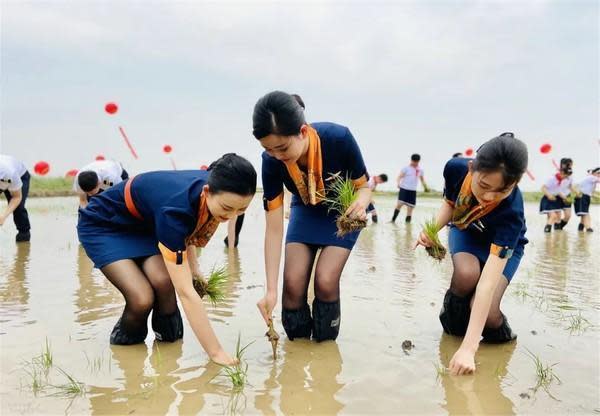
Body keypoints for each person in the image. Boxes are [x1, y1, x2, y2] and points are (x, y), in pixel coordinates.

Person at [77, 153, 256, 365]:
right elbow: (186, 293)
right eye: (227, 208)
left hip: (146, 223)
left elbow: (189, 228)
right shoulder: (175, 210)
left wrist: (195, 270)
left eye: (241, 210)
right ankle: (125, 361)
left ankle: (169, 356)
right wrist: (216, 353)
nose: (232, 216)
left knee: (163, 282)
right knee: (141, 298)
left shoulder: (217, 182)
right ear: (207, 192)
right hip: (104, 226)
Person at [253, 91, 371, 342]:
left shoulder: (339, 138)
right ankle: (296, 354)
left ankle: (325, 347)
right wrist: (271, 290)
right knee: (293, 285)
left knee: (325, 279)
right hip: (305, 210)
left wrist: (360, 205)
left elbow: (364, 187)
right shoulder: (271, 161)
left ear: (303, 132)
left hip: (343, 211)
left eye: (283, 148)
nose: (277, 156)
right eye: (268, 149)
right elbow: (273, 230)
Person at [415, 132, 528, 375]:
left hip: (503, 247)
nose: (488, 197)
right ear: (471, 168)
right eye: (484, 186)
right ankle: (453, 330)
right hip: (466, 229)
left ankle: (502, 340)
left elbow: (486, 285)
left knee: (485, 308)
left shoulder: (512, 214)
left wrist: (469, 349)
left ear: (515, 184)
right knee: (466, 275)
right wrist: (432, 229)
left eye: (501, 191)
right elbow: (450, 203)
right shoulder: (455, 169)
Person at [0, 154, 31, 242]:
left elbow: (16, 197)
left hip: (20, 176)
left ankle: (24, 235)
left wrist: (3, 216)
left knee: (18, 208)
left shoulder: (8, 173)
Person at [391, 153, 429, 223]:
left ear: (418, 161)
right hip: (404, 189)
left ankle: (407, 224)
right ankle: (393, 220)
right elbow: (399, 176)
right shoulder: (406, 168)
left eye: (416, 162)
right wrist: (398, 183)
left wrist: (426, 187)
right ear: (411, 160)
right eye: (413, 161)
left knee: (410, 209)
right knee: (399, 205)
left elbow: (422, 179)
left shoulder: (420, 170)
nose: (414, 163)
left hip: (412, 191)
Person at [540, 162, 572, 233]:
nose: (566, 178)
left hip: (556, 199)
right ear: (561, 172)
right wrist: (549, 195)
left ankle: (556, 237)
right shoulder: (552, 178)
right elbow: (543, 188)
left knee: (558, 218)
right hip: (548, 199)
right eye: (566, 175)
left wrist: (565, 198)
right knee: (553, 216)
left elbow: (558, 191)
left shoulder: (561, 180)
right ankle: (547, 235)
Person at [574, 167, 600, 232]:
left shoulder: (592, 180)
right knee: (586, 214)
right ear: (593, 173)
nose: (599, 175)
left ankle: (580, 231)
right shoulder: (591, 177)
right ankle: (588, 229)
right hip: (582, 196)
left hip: (585, 197)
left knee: (584, 215)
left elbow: (592, 192)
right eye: (598, 173)